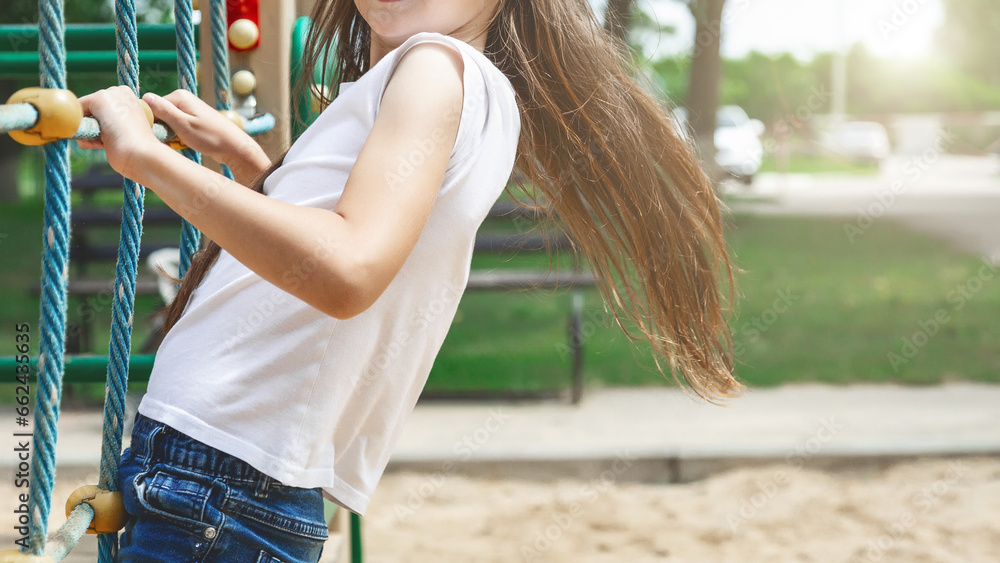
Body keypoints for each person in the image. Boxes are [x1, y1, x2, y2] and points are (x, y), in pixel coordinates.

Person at [77, 0, 744, 561]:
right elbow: (344, 248)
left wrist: (142, 159)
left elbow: (346, 270)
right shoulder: (453, 85)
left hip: (217, 475)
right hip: (230, 479)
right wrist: (257, 169)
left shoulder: (433, 71)